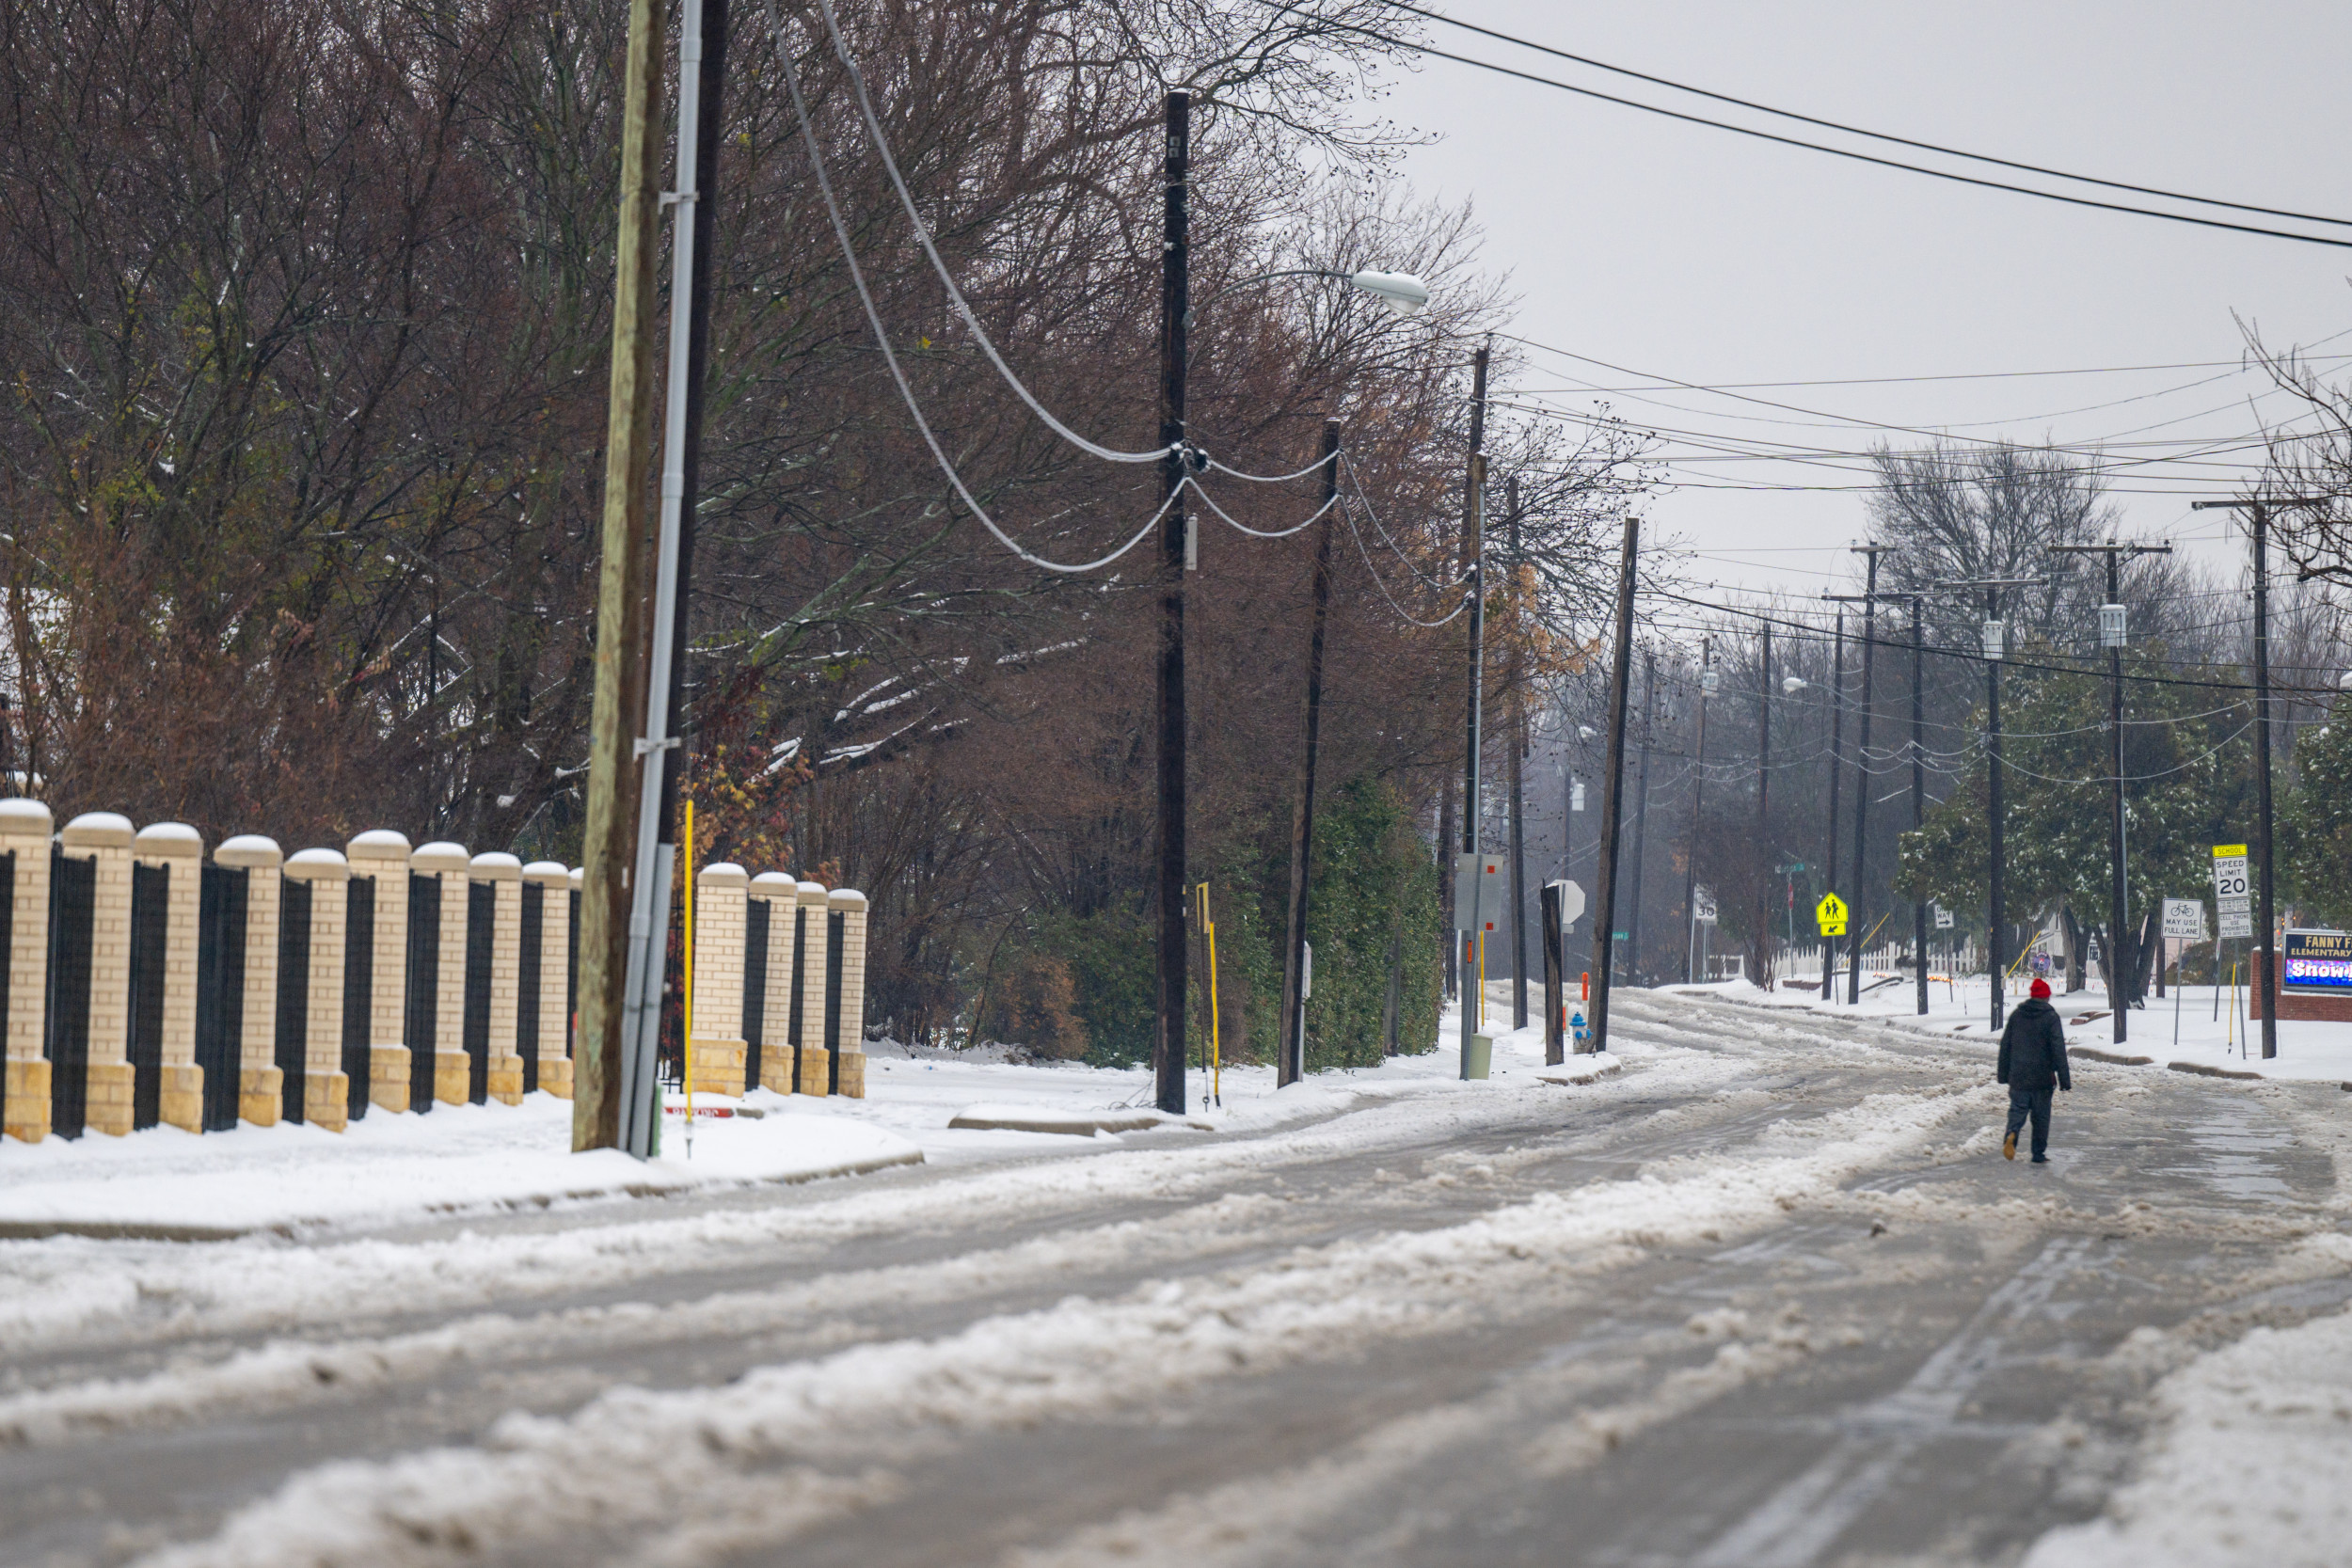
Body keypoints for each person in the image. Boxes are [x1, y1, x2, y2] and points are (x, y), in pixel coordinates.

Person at [1997, 976, 2071, 1163]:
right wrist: (2064, 1079)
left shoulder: (2017, 1015)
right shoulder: (2051, 1017)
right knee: (2041, 1117)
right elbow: (2058, 1049)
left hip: (2018, 1075)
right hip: (2043, 1078)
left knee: (2017, 1109)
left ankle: (2012, 1133)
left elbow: (2005, 1045)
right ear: (2046, 997)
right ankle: (2038, 1154)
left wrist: (2003, 1074)